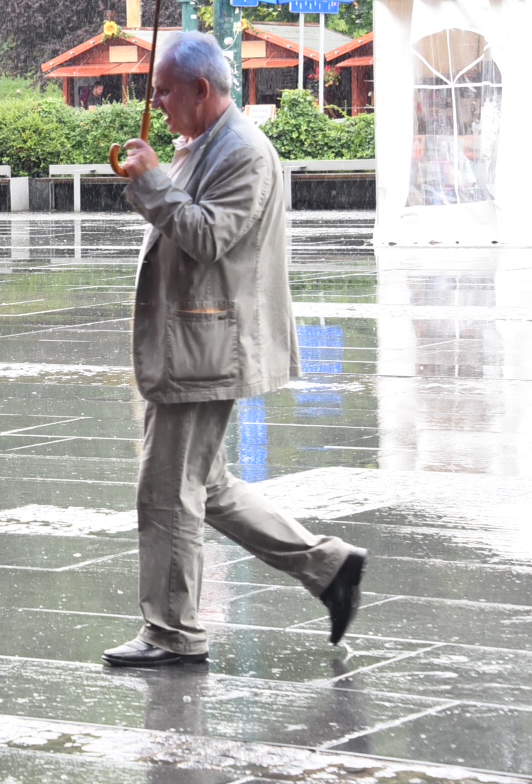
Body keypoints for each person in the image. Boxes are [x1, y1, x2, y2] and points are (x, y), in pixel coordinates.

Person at [102, 32, 367, 668]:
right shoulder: (203, 143)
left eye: (164, 90)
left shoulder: (245, 152)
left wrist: (155, 182)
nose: (156, 101)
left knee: (166, 492)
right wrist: (157, 174)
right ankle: (329, 567)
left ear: (202, 89)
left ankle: (173, 633)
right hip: (190, 339)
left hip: (204, 343)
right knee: (207, 484)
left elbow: (208, 236)